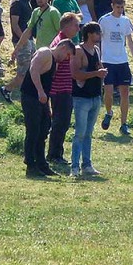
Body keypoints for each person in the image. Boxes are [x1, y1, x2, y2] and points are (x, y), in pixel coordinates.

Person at [22, 40, 77, 178]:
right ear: (63, 48)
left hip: (41, 100)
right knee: (33, 130)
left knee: (44, 129)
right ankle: (30, 164)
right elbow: (33, 70)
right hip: (31, 96)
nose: (67, 58)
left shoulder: (54, 62)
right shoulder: (45, 53)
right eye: (68, 55)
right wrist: (40, 91)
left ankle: (42, 164)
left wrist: (47, 105)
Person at [69, 22, 108, 178]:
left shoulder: (96, 50)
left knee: (88, 133)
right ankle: (74, 167)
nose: (99, 35)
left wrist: (101, 71)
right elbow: (75, 74)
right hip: (81, 98)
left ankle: (87, 164)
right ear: (89, 34)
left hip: (95, 96)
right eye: (97, 32)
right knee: (79, 132)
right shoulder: (78, 51)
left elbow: (97, 69)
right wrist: (96, 74)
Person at [98, 0, 133, 135]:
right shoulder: (104, 20)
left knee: (125, 93)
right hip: (108, 60)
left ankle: (124, 123)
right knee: (108, 92)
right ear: (112, 6)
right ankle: (109, 112)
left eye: (122, 7)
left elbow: (130, 41)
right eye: (117, 7)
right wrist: (98, 61)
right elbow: (98, 40)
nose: (119, 10)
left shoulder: (126, 21)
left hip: (122, 61)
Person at [45, 13, 81, 167]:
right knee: (61, 122)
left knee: (63, 121)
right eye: (76, 25)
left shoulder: (67, 42)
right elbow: (55, 65)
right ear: (66, 25)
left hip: (65, 87)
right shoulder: (61, 43)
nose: (78, 29)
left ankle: (56, 152)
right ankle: (54, 154)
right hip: (60, 89)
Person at [0, 0, 35, 102]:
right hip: (22, 41)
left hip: (29, 40)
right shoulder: (17, 2)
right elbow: (15, 24)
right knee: (23, 72)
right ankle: (6, 89)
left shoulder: (26, 0)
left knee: (32, 69)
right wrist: (23, 39)